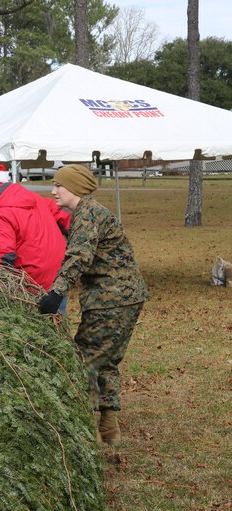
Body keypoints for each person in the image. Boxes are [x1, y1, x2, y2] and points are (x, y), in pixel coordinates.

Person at [38, 164, 148, 446]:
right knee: (107, 361)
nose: (53, 191)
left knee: (84, 360)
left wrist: (56, 293)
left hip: (109, 300)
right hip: (127, 298)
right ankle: (109, 428)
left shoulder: (86, 214)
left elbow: (79, 256)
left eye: (58, 186)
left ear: (72, 186)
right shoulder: (92, 211)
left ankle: (84, 432)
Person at [0, 164, 71, 301]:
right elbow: (68, 222)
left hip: (31, 290)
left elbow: (2, 261)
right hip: (59, 283)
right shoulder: (35, 199)